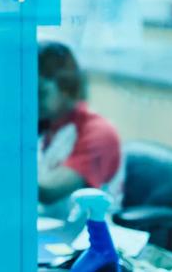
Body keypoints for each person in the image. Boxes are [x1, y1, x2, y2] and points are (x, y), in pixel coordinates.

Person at [37, 41, 123, 220]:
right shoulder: (46, 126)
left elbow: (49, 191)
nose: (31, 100)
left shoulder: (98, 132)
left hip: (88, 239)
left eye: (41, 92)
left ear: (66, 87)